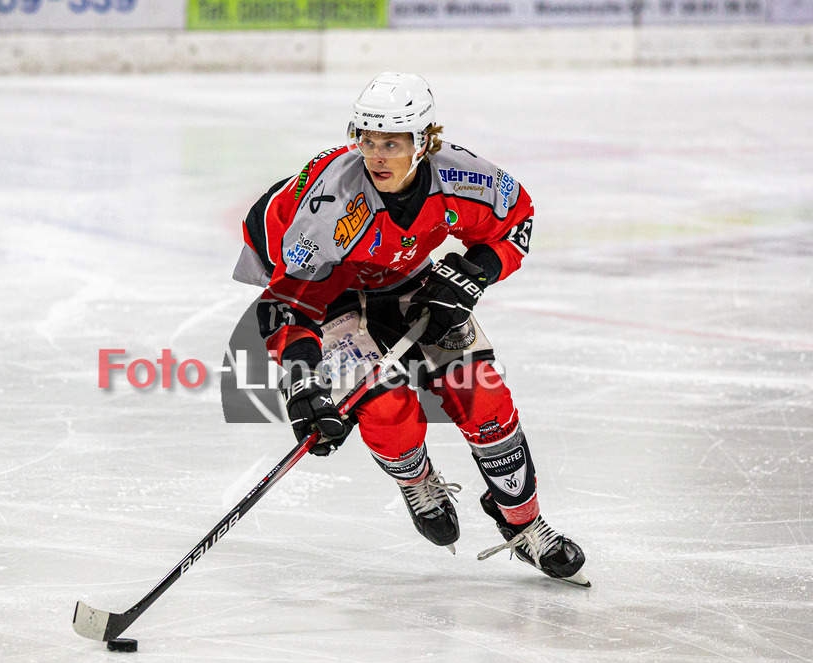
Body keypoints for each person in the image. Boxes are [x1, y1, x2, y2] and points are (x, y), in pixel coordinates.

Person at [232, 72, 589, 586]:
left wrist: (474, 273)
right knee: (385, 405)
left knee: (481, 392)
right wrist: (305, 389)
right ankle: (417, 479)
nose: (377, 155)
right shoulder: (332, 205)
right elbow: (287, 308)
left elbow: (516, 219)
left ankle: (525, 523)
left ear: (424, 141)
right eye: (368, 140)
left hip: (401, 274)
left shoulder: (461, 176)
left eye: (392, 142)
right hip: (327, 289)